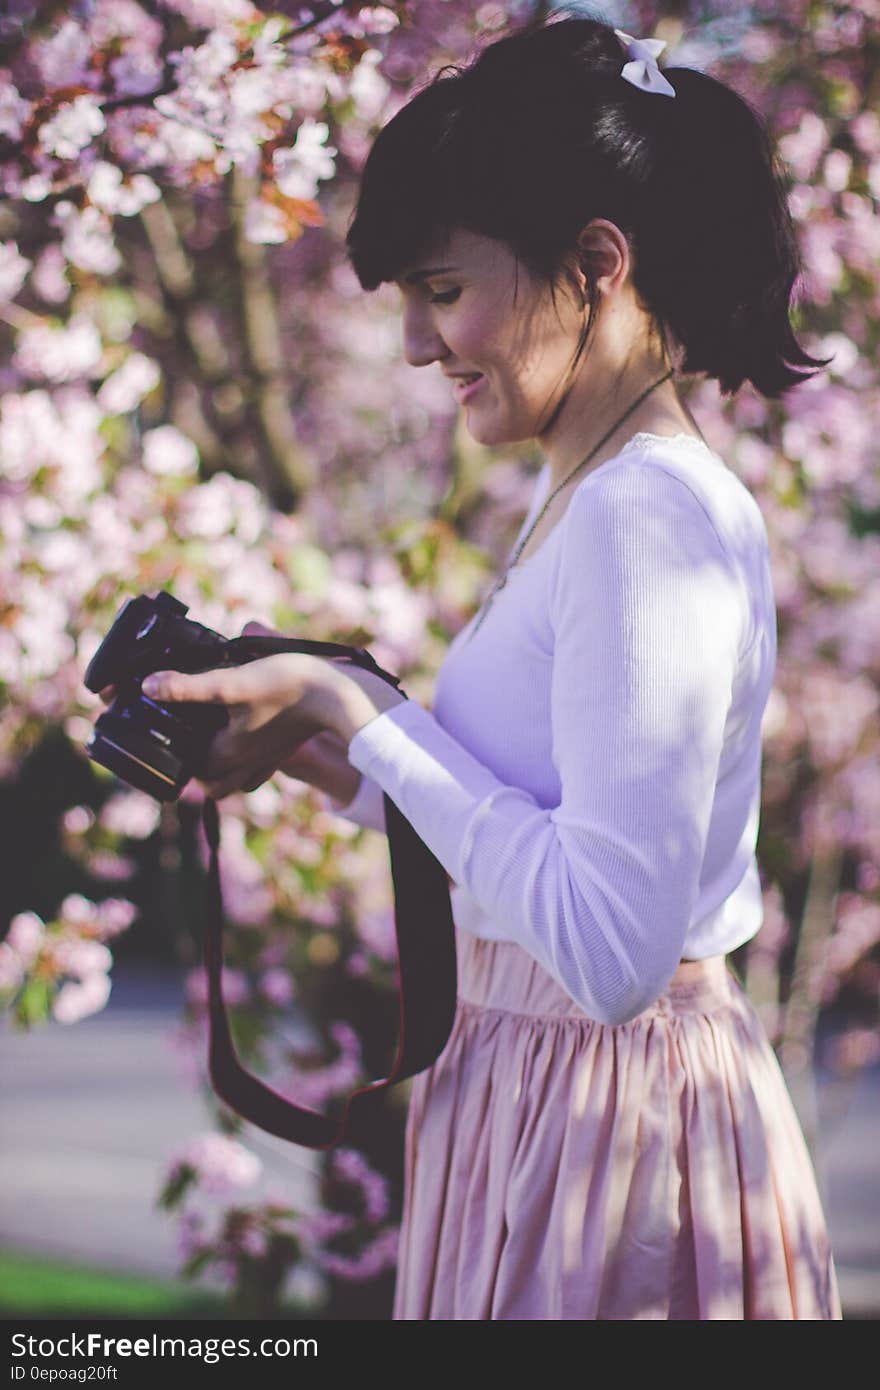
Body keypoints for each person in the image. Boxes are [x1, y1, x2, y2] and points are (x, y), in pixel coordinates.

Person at [125, 13, 843, 1319]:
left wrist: (369, 708)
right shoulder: (590, 491)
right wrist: (320, 749)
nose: (414, 346)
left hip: (611, 1137)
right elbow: (538, 828)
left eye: (442, 291)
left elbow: (613, 950)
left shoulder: (644, 519)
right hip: (543, 1101)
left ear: (597, 265)